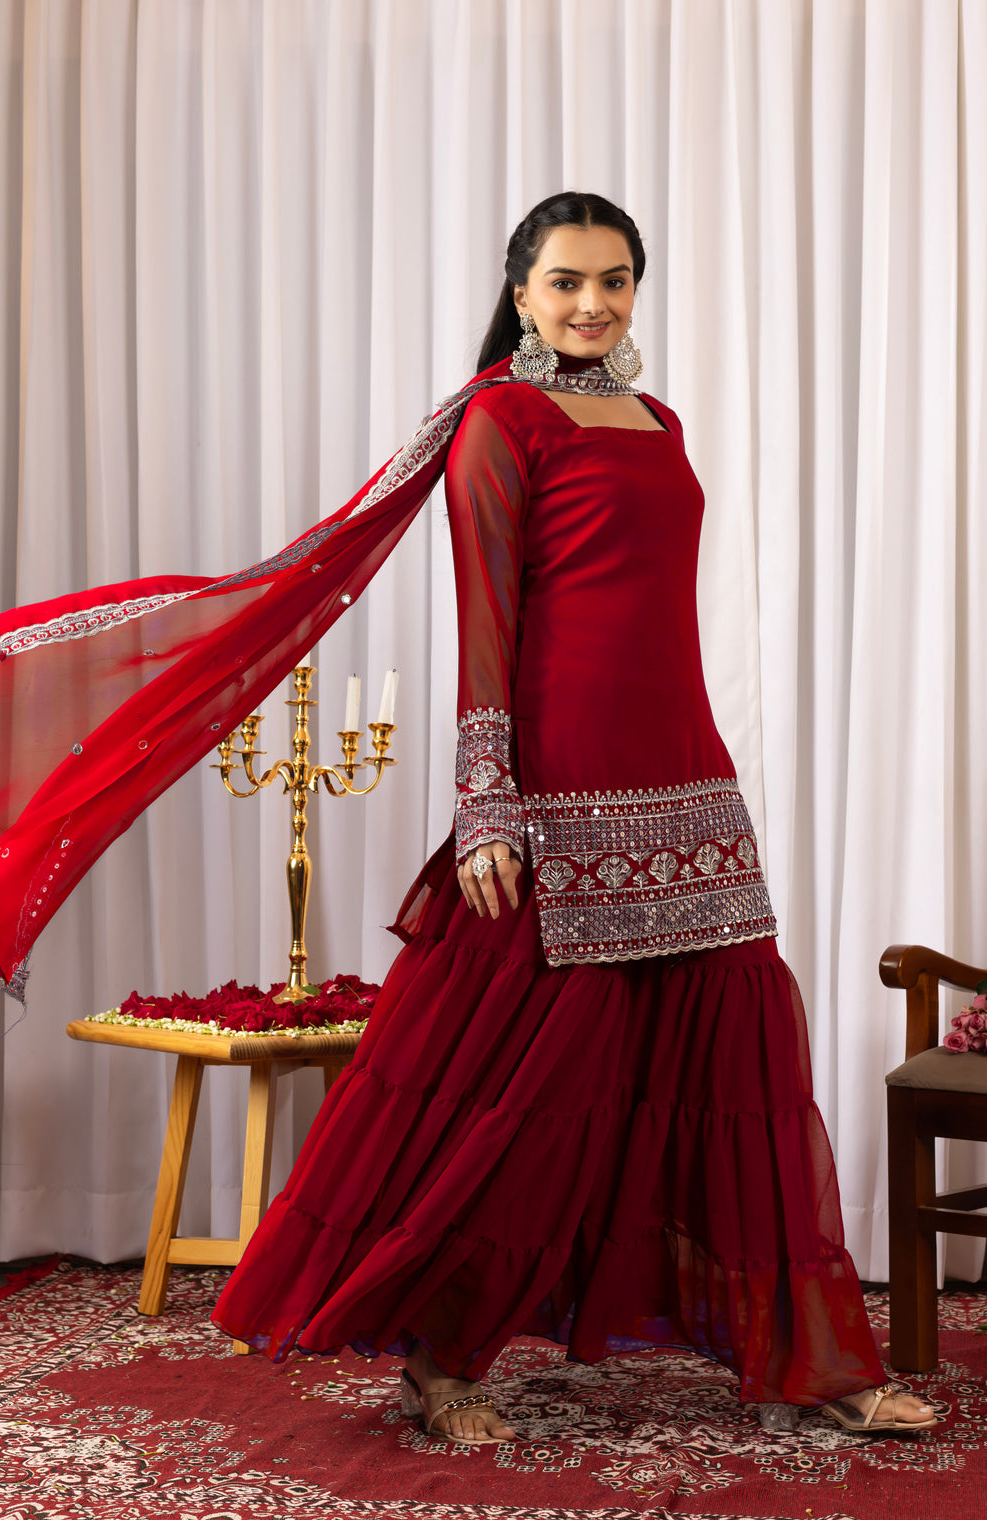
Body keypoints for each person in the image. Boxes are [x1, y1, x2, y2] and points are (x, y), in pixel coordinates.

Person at [209, 193, 937, 1443]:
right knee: (525, 1083)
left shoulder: (659, 421)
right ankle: (442, 1361)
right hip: (555, 781)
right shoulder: (499, 419)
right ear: (520, 289)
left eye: (613, 280)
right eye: (564, 282)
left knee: (735, 1060)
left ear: (636, 288)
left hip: (686, 767)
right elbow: (488, 614)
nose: (592, 303)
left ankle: (816, 1361)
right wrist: (488, 802)